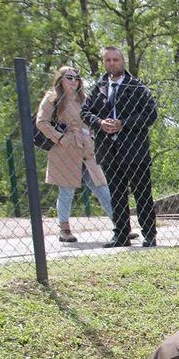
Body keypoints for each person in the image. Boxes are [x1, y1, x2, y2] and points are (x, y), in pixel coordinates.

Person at [81, 46, 158, 248]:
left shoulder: (137, 87)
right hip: (108, 149)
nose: (112, 63)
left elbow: (150, 115)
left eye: (116, 60)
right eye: (108, 60)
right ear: (104, 63)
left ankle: (149, 234)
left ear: (122, 61)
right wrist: (99, 123)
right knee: (116, 194)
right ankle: (121, 234)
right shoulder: (98, 87)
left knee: (142, 194)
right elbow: (85, 113)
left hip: (135, 150)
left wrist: (124, 123)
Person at [35, 66, 115, 244]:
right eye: (69, 77)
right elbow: (41, 122)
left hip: (87, 148)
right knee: (67, 189)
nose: (74, 81)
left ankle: (120, 225)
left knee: (101, 187)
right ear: (60, 79)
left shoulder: (83, 99)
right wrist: (60, 138)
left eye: (77, 78)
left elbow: (93, 118)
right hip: (65, 149)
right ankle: (64, 229)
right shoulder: (52, 98)